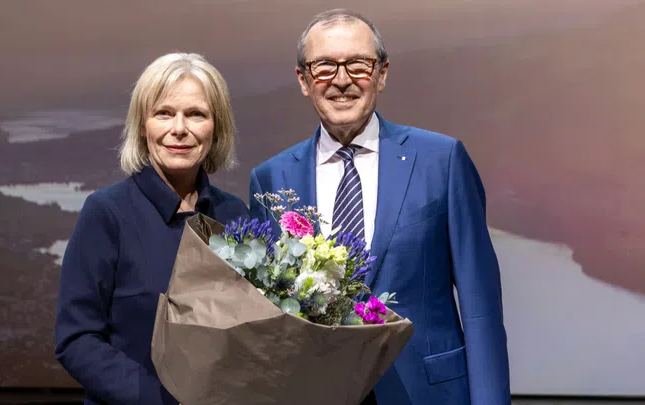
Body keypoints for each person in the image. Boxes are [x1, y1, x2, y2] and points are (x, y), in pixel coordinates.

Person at [248, 9, 510, 405]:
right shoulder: (272, 178)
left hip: (425, 393)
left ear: (382, 73)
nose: (342, 80)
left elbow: (480, 306)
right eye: (324, 67)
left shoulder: (442, 161)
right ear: (303, 79)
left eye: (358, 64)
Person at [54, 53, 249, 405]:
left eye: (196, 114)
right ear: (143, 126)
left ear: (216, 127)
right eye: (164, 113)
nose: (179, 128)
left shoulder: (235, 214)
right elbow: (77, 340)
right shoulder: (106, 213)